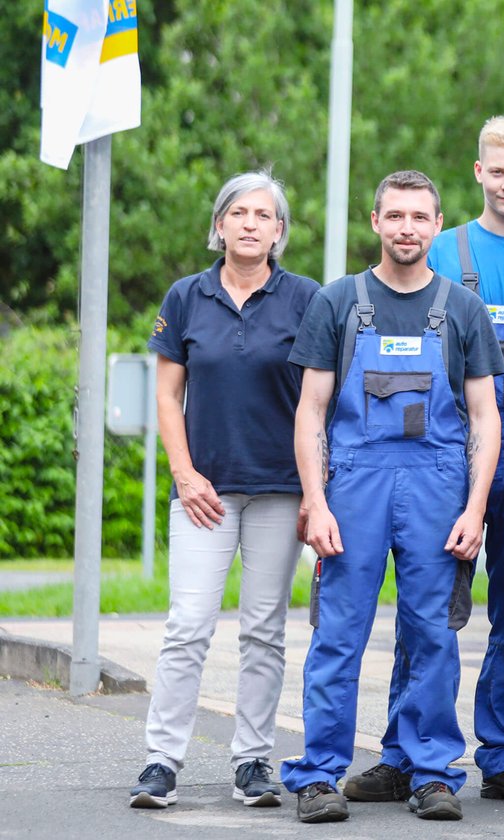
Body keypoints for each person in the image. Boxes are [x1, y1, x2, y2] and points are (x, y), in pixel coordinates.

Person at [348, 114, 504, 809]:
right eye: (495, 170)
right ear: (479, 173)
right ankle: (403, 754)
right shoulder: (436, 247)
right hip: (444, 461)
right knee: (428, 613)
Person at [278, 171, 503, 824]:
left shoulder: (462, 308)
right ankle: (319, 774)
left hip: (438, 490)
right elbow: (311, 411)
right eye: (395, 216)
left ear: (438, 226)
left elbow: (487, 417)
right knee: (339, 634)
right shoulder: (340, 302)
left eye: (420, 217)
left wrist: (475, 507)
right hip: (354, 488)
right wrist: (315, 501)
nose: (407, 228)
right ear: (375, 221)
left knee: (433, 634)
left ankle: (431, 772)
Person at [130, 171, 320, 810]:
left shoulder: (307, 300)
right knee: (187, 627)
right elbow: (166, 394)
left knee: (264, 630)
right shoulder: (186, 296)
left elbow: (321, 402)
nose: (248, 223)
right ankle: (161, 761)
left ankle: (252, 763)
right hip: (203, 492)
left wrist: (318, 491)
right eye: (237, 212)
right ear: (219, 224)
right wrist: (184, 474)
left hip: (279, 489)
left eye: (263, 215)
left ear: (279, 231)